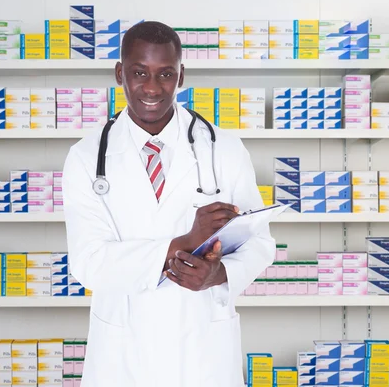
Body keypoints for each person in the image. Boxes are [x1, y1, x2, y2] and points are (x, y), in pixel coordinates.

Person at [62, 21, 275, 387]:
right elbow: (87, 262)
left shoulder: (223, 148)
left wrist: (218, 275)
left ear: (181, 77)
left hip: (202, 349)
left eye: (165, 74)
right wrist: (182, 244)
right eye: (139, 73)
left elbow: (261, 244)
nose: (151, 87)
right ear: (119, 73)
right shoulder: (85, 157)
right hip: (123, 354)